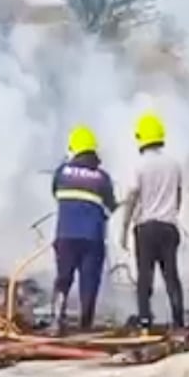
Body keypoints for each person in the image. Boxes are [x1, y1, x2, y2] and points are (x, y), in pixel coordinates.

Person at [119, 111, 185, 330]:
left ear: (141, 138)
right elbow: (178, 197)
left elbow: (132, 197)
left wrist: (124, 227)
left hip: (146, 228)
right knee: (171, 277)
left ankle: (145, 321)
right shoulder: (174, 164)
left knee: (145, 278)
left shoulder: (139, 165)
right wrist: (172, 215)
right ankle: (178, 322)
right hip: (169, 227)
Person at [52, 125, 117, 331]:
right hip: (92, 238)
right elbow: (111, 206)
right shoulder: (102, 178)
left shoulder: (62, 173)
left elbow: (55, 194)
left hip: (65, 236)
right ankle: (85, 325)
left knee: (63, 279)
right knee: (89, 283)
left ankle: (56, 320)